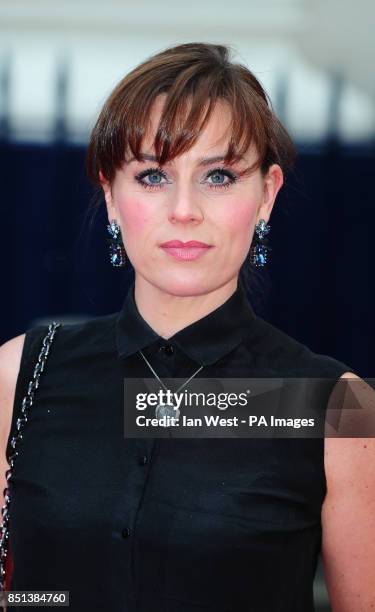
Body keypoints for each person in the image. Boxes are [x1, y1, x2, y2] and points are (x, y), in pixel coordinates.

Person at [0, 42, 374, 612]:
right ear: (110, 195)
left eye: (219, 175)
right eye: (152, 176)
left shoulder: (338, 408)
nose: (183, 209)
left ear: (266, 195)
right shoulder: (19, 375)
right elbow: (23, 595)